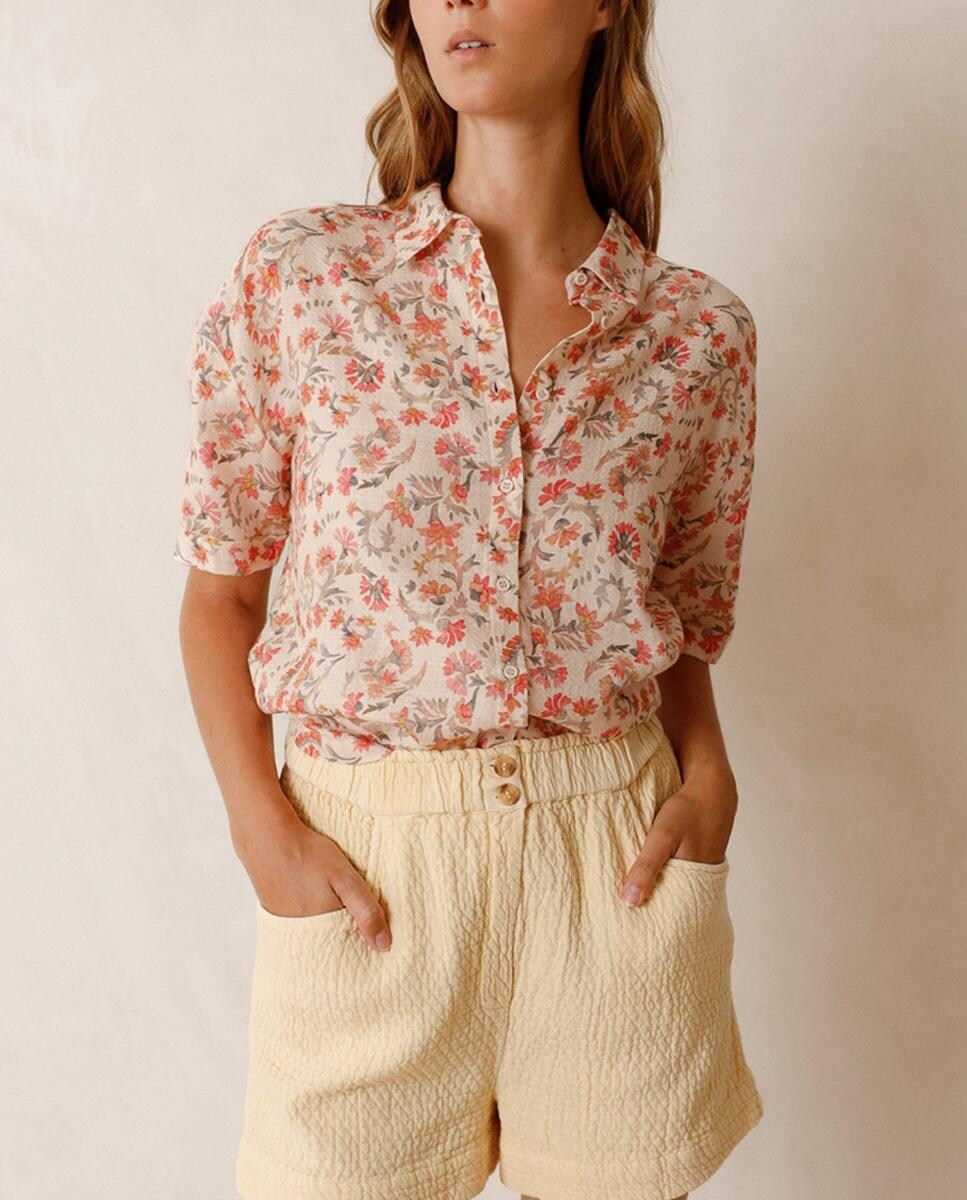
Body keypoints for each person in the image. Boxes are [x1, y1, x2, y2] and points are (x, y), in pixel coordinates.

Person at [174, 1, 765, 1197]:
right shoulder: (306, 278)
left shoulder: (695, 336)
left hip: (613, 870)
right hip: (366, 877)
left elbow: (681, 626)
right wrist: (259, 829)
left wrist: (708, 780)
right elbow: (221, 593)